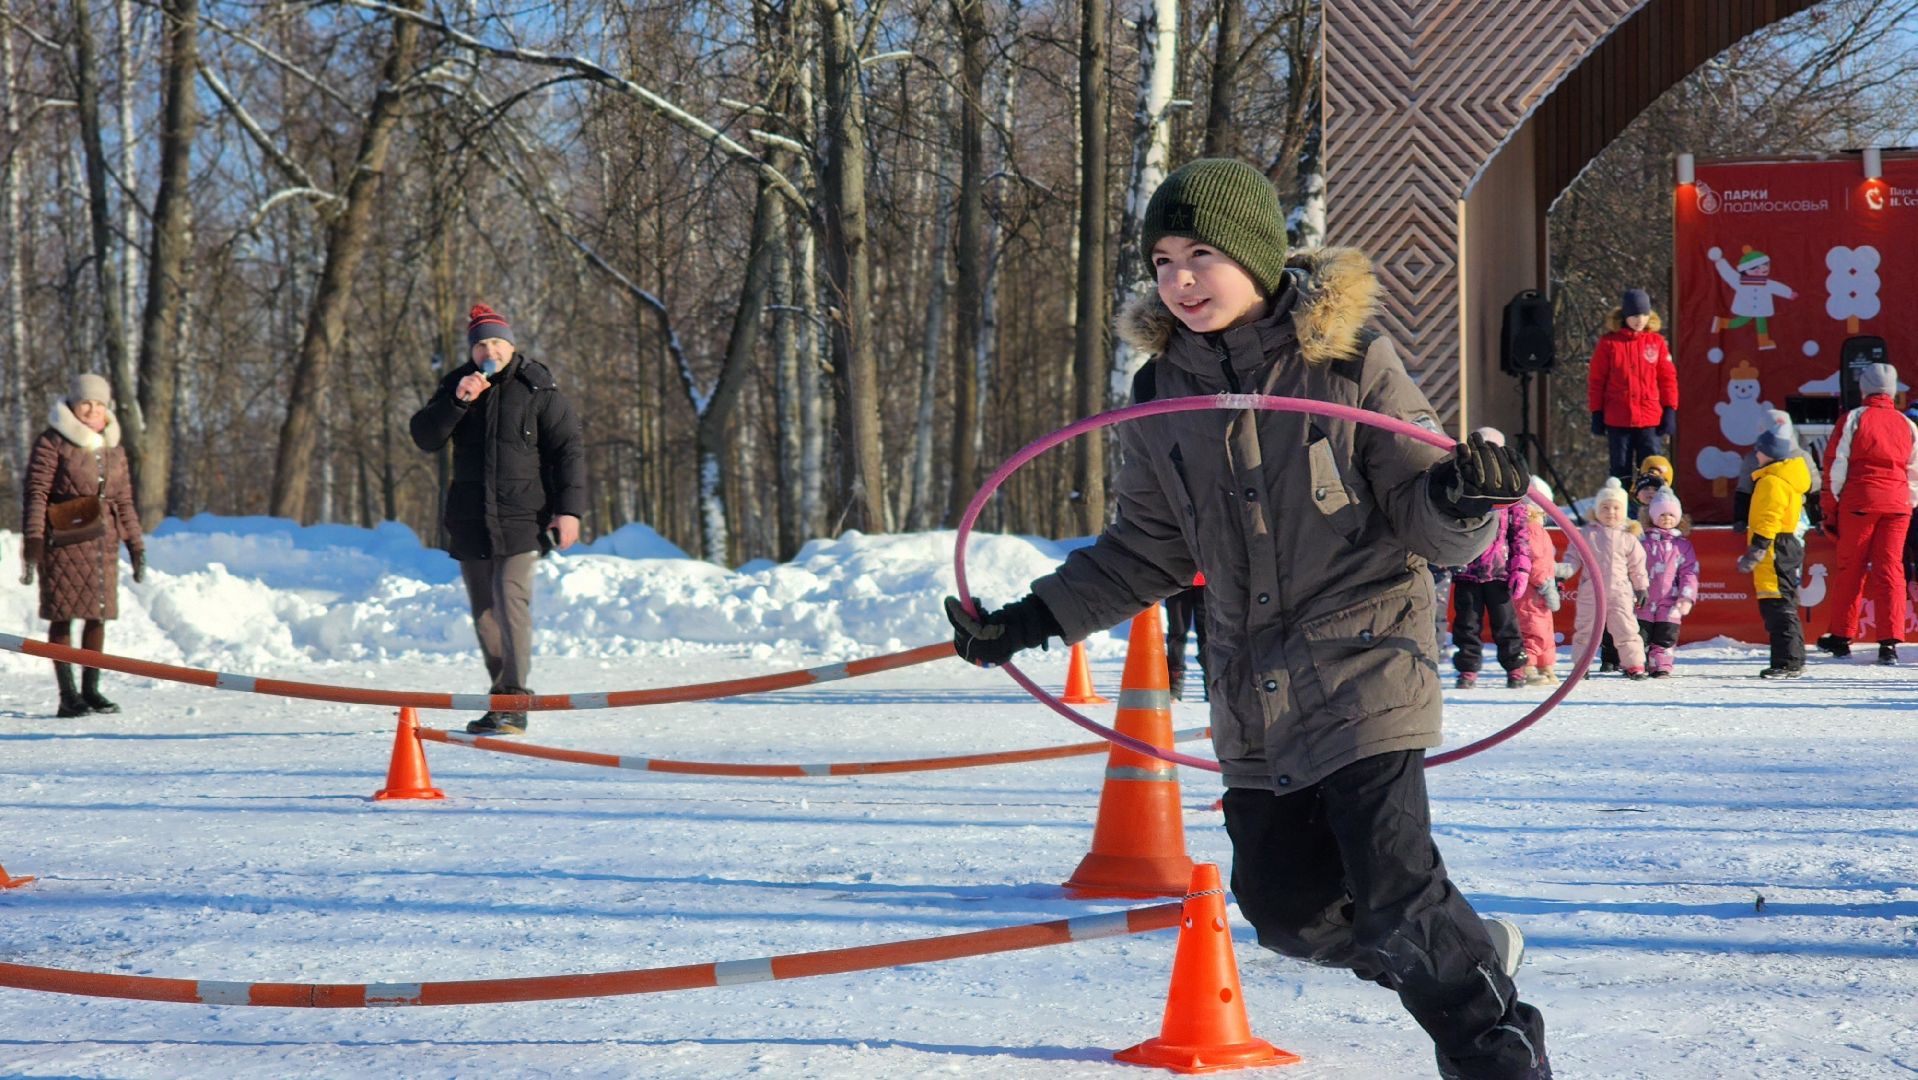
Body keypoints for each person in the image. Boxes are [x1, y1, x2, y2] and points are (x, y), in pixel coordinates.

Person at [943, 158, 1549, 1080]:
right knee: (1285, 911)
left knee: (1394, 891)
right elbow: (1145, 550)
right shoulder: (1159, 399)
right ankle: (1463, 952)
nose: (1179, 279)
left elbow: (1428, 525)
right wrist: (1030, 622)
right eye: (1161, 260)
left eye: (1202, 255)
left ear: (1260, 258)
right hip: (1251, 696)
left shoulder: (1348, 365)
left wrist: (1464, 495)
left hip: (1365, 666)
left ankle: (1497, 1055)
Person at [410, 303, 586, 735]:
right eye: (481, 343)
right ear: (472, 350)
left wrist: (570, 511)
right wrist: (456, 401)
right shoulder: (457, 385)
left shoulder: (538, 388)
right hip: (470, 518)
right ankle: (501, 700)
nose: (490, 349)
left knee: (510, 603)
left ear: (512, 345)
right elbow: (426, 437)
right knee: (484, 613)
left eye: (497, 342)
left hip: (523, 515)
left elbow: (569, 451)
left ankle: (514, 698)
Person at [18, 373, 145, 717]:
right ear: (73, 406)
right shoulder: (52, 442)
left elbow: (124, 502)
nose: (92, 409)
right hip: (63, 540)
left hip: (102, 543)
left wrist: (135, 544)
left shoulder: (114, 450)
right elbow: (37, 493)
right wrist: (32, 541)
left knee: (97, 615)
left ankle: (91, 689)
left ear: (107, 409)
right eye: (86, 403)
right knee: (63, 616)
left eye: (99, 404)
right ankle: (67, 694)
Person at [1814, 362, 1918, 664]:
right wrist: (1906, 504)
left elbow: (1836, 467)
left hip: (1860, 502)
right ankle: (1889, 644)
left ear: (1864, 388)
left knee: (1852, 568)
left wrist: (1829, 510)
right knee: (1892, 571)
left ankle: (1841, 636)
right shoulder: (1907, 424)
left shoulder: (1853, 419)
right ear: (1893, 390)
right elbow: (1914, 472)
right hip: (1897, 505)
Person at [1449, 428, 1532, 689]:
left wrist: (1520, 568)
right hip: (1467, 570)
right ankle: (1468, 668)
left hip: (1499, 573)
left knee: (1506, 623)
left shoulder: (1512, 497)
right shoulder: (1463, 488)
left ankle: (1515, 666)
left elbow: (1520, 536)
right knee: (1467, 625)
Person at [1737, 429, 1811, 679]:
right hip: (1784, 543)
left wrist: (1758, 547)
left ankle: (1786, 661)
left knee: (1777, 605)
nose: (1755, 454)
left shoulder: (1772, 481)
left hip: (1774, 547)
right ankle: (1793, 659)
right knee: (1784, 603)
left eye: (1759, 449)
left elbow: (1768, 518)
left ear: (1770, 453)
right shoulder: (1782, 478)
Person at [1559, 478, 1649, 680]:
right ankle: (1582, 665)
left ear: (1623, 511)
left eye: (1616, 508)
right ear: (1597, 510)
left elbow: (1637, 565)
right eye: (1605, 507)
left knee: (1626, 628)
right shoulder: (1586, 534)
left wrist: (1641, 587)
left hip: (1620, 591)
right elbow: (1573, 558)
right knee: (1586, 629)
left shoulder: (1628, 537)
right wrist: (1563, 573)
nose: (1611, 512)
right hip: (1591, 591)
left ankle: (1634, 664)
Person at [1587, 288, 1678, 483]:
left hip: (1649, 418)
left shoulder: (1656, 342)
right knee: (1621, 470)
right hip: (1619, 417)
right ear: (1625, 316)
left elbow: (1667, 378)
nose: (1640, 320)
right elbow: (1597, 380)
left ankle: (1653, 509)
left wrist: (1670, 409)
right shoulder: (1609, 343)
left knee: (1653, 469)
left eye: (1644, 315)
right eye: (1635, 315)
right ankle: (1623, 509)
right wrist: (1597, 411)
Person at [1636, 489, 1699, 678]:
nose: (1666, 518)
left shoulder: (1683, 545)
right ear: (1652, 516)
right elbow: (1631, 566)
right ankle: (1637, 664)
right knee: (1640, 635)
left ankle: (1661, 665)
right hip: (1643, 598)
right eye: (1662, 514)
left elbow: (1689, 572)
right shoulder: (1642, 542)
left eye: (1671, 515)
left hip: (1670, 601)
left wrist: (1686, 597)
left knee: (1666, 636)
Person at [1732, 410, 1821, 532]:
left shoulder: (1802, 457)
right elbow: (1744, 492)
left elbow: (1815, 492)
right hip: (1765, 520)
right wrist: (1740, 519)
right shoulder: (1755, 458)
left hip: (1794, 521)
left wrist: (1820, 520)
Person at [1515, 479, 1562, 686]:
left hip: (1539, 587)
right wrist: (1545, 584)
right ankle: (1529, 666)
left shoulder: (1539, 529)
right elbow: (1534, 560)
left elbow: (1546, 560)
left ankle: (1546, 665)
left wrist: (1557, 570)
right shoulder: (1531, 528)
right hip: (1531, 590)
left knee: (1544, 628)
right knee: (1533, 628)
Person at [1163, 576, 1208, 702]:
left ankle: (1211, 682)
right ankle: (1175, 683)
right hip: (1178, 579)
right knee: (1177, 633)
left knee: (1208, 635)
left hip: (1207, 579)